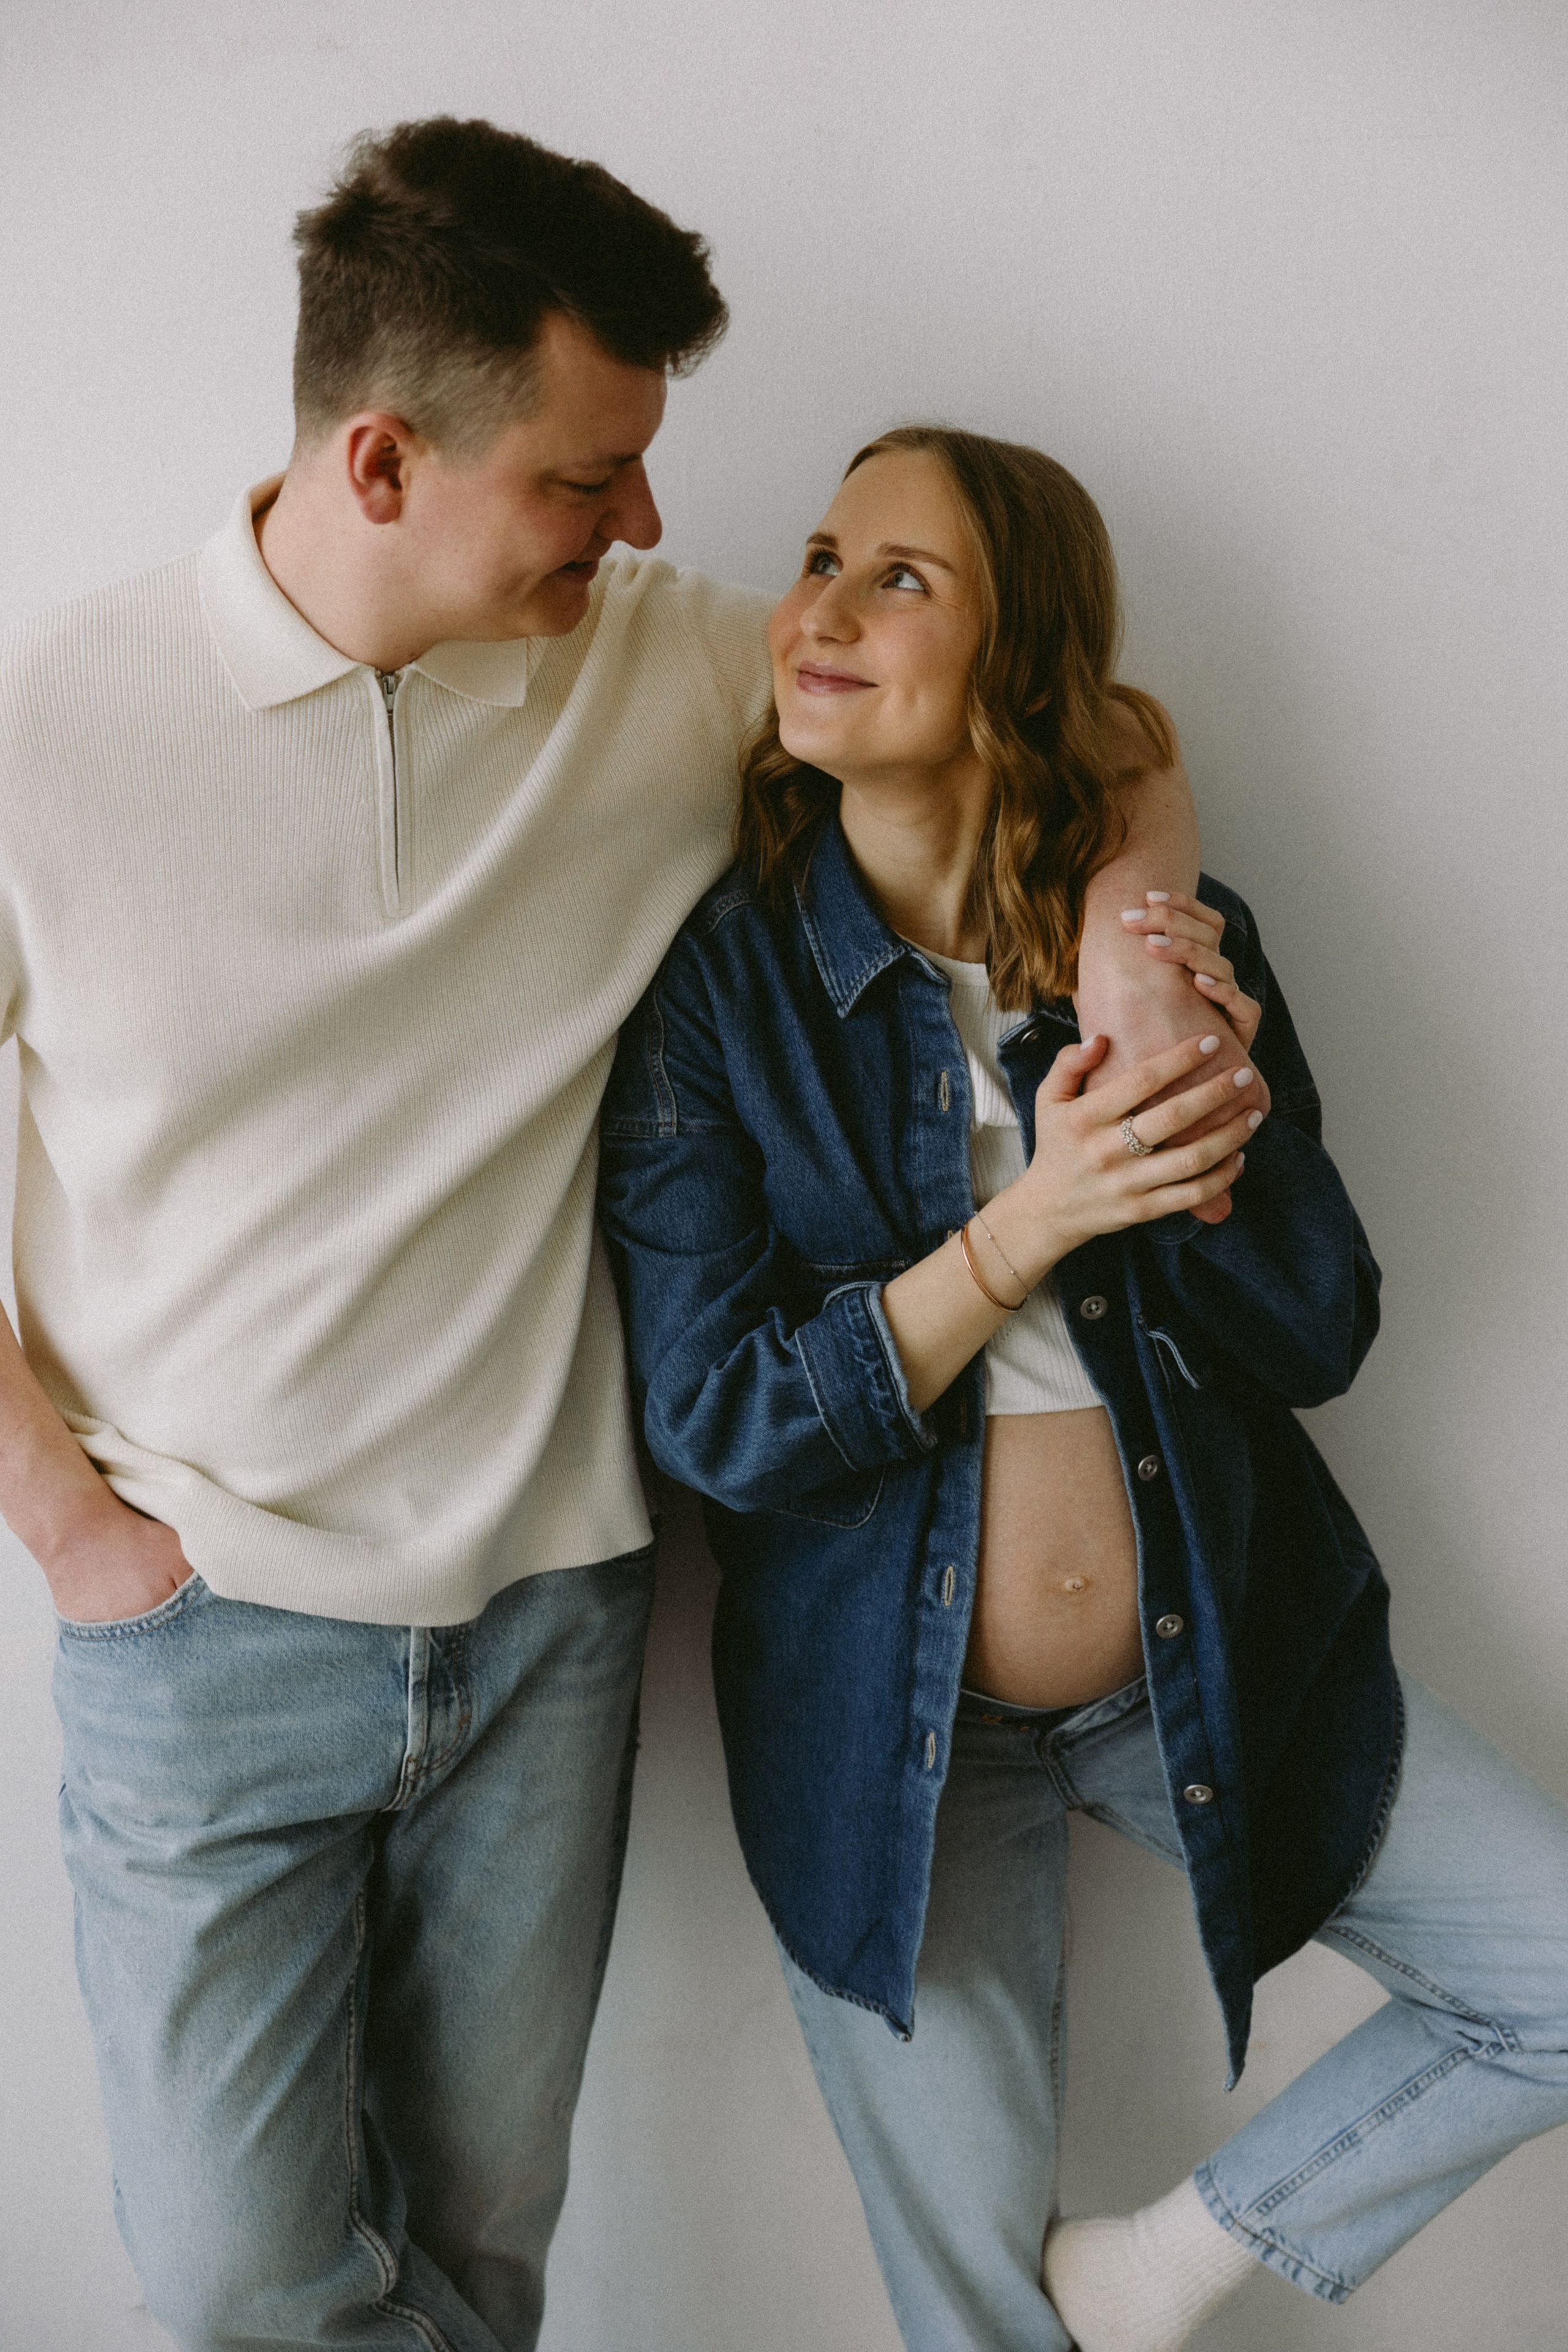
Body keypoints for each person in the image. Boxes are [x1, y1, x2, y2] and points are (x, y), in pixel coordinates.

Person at [0, 123, 1213, 2351]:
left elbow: (1082, 726)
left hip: (550, 1623)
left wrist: (1140, 952)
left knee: (483, 2259)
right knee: (238, 2281)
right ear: (384, 460)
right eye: (587, 475)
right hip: (199, 1633)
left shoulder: (661, 669)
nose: (648, 521)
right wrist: (78, 1539)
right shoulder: (42, 730)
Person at [598, 424, 1568, 2352]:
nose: (819, 609)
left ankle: (1161, 2270)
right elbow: (715, 1421)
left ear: (1017, 659)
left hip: (1217, 1666)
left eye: (901, 579)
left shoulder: (1172, 944)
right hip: (886, 1741)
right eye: (820, 558)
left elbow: (1316, 1330)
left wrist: (1194, 1106)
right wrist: (1030, 1220)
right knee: (975, 2323)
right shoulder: (724, 990)